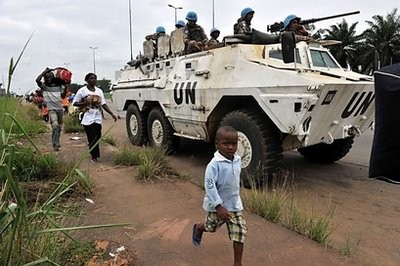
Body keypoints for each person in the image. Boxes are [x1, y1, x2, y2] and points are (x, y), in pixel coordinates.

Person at [192, 125, 247, 266]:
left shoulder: (237, 160)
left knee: (240, 233)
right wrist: (218, 207)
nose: (230, 147)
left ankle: (238, 263)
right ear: (217, 145)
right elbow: (209, 187)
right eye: (226, 143)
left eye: (234, 144)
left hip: (234, 206)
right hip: (217, 206)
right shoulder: (214, 165)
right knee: (211, 227)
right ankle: (199, 227)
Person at [72, 73, 117, 163]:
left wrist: (112, 114)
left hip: (97, 117)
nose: (94, 80)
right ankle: (94, 156)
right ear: (87, 80)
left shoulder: (99, 91)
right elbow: (75, 103)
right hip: (87, 117)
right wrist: (85, 103)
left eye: (95, 78)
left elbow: (103, 104)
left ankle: (94, 152)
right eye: (91, 78)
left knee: (97, 137)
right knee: (92, 137)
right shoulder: (82, 91)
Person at [36, 68, 68, 151]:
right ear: (44, 78)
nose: (48, 78)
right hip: (51, 110)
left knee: (59, 128)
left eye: (50, 77)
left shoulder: (59, 85)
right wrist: (44, 72)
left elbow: (63, 96)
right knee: (55, 126)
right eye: (46, 77)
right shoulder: (44, 86)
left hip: (60, 109)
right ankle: (55, 144)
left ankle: (56, 140)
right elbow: (37, 80)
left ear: (53, 77)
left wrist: (65, 88)